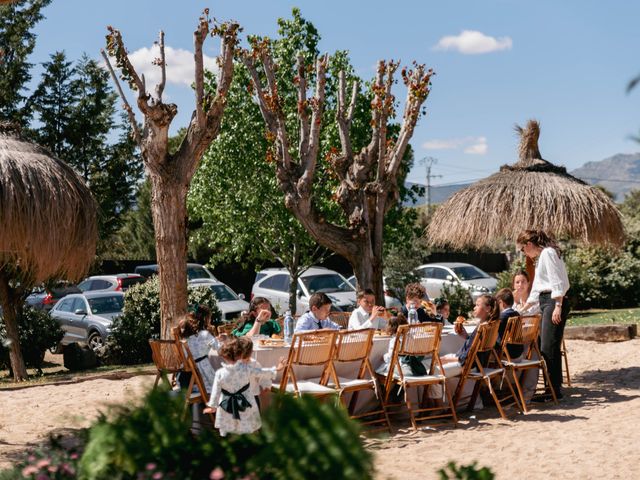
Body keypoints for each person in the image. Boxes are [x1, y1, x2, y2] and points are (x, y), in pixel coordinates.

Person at [517, 229, 570, 399]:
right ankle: (553, 388)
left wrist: (558, 305)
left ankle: (554, 390)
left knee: (548, 347)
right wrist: (522, 310)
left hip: (554, 301)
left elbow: (558, 281)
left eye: (522, 249)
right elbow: (538, 289)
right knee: (544, 345)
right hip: (547, 300)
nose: (523, 252)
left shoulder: (548, 253)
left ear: (529, 244)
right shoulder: (543, 256)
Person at [203, 338, 285, 436]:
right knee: (246, 424)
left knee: (235, 425)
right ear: (240, 354)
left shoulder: (220, 373)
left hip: (231, 401)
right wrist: (277, 369)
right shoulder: (246, 369)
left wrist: (213, 405)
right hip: (246, 401)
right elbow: (262, 373)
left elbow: (216, 391)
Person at [440, 294, 500, 375]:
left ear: (488, 309)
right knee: (430, 363)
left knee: (433, 371)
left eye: (477, 305)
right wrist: (467, 337)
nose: (474, 308)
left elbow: (466, 358)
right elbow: (476, 347)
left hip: (468, 365)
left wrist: (447, 359)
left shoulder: (482, 328)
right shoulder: (488, 325)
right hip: (474, 364)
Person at [178, 307, 219, 394]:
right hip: (202, 376)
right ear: (206, 319)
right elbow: (219, 348)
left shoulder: (185, 335)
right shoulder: (205, 334)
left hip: (185, 377)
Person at [495, 288, 524, 359]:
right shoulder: (517, 314)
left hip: (506, 352)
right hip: (519, 351)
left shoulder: (502, 317)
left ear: (501, 303)